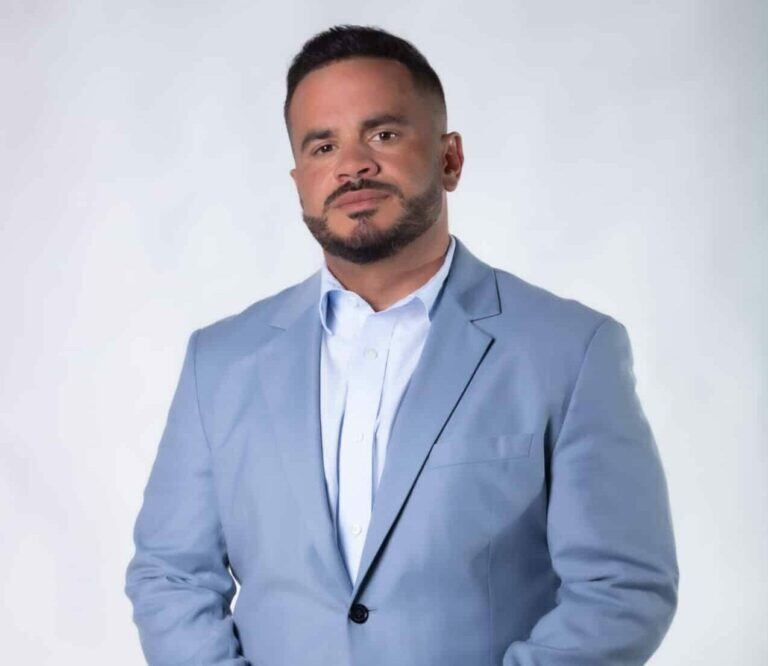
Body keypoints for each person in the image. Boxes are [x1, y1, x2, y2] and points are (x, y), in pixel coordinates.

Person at [125, 24, 679, 666]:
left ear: (450, 159)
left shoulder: (571, 350)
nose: (352, 164)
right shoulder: (218, 361)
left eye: (383, 134)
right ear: (299, 180)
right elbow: (171, 575)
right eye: (323, 145)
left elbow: (621, 589)